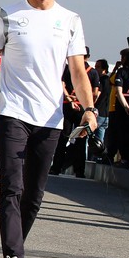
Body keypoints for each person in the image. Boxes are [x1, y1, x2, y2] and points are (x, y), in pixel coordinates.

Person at [0, 0, 97, 258]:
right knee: (11, 187)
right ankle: (14, 257)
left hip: (50, 118)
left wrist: (89, 108)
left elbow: (77, 71)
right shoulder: (9, 15)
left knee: (33, 195)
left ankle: (12, 246)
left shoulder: (71, 21)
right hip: (13, 112)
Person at [49, 47, 100, 178]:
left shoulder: (68, 69)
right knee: (80, 140)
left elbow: (62, 85)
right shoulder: (93, 72)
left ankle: (56, 168)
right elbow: (95, 93)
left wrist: (68, 98)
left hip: (67, 106)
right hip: (83, 109)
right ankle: (79, 171)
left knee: (63, 138)